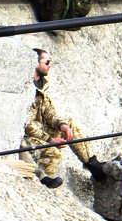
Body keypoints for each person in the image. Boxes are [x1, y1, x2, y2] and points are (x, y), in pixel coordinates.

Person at [20, 48, 106, 189]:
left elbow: (49, 112)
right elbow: (26, 124)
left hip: (41, 132)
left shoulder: (42, 85)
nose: (50, 65)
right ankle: (45, 181)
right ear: (35, 63)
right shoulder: (26, 86)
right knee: (53, 151)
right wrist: (51, 139)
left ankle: (92, 164)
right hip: (29, 136)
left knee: (70, 125)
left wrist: (62, 125)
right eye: (47, 62)